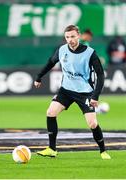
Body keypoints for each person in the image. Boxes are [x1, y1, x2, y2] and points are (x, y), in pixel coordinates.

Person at [34, 25, 111, 160]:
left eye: (73, 36)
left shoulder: (90, 53)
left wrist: (95, 96)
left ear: (79, 36)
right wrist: (39, 77)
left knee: (92, 123)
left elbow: (100, 75)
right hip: (66, 90)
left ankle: (103, 150)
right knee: (50, 112)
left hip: (85, 93)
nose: (70, 40)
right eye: (67, 37)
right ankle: (52, 149)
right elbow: (51, 63)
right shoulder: (62, 50)